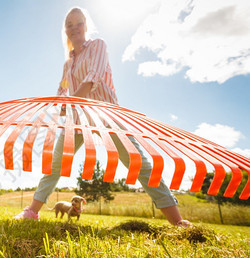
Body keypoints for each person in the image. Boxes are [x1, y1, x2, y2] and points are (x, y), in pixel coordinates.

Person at [14, 7, 191, 227]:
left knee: (138, 163)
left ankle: (178, 222)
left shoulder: (98, 46)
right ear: (65, 31)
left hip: (106, 114)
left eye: (78, 23)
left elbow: (91, 80)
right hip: (77, 119)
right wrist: (58, 107)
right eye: (69, 24)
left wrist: (69, 103)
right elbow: (62, 91)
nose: (74, 28)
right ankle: (32, 211)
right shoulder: (67, 64)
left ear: (86, 26)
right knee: (55, 164)